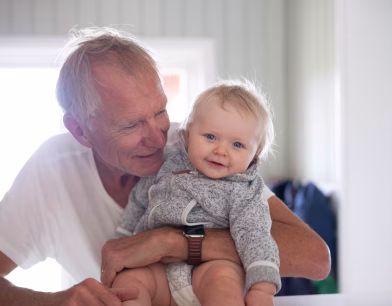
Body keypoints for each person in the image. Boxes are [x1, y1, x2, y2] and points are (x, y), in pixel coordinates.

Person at [0, 27, 330, 306]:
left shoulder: (193, 145)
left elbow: (315, 258)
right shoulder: (51, 172)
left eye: (160, 111)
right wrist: (54, 301)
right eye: (130, 126)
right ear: (80, 130)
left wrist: (175, 242)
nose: (159, 139)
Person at [114, 79, 281, 306]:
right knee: (128, 284)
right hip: (157, 268)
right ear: (188, 134)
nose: (221, 151)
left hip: (210, 269)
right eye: (210, 137)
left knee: (224, 283)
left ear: (255, 152)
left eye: (237, 145)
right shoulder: (167, 164)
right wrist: (124, 241)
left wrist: (263, 288)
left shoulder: (246, 190)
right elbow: (139, 199)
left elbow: (256, 235)